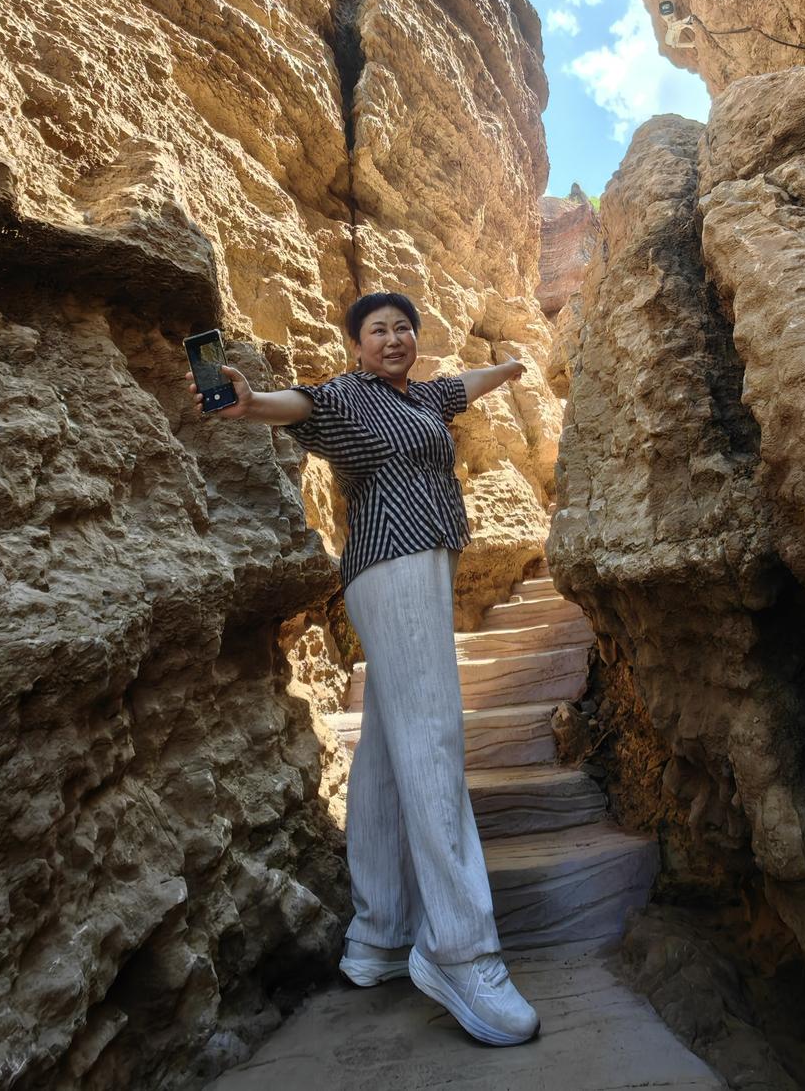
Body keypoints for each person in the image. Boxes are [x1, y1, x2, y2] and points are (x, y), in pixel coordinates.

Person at [184, 290, 541, 1047]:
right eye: (377, 329)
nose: (393, 338)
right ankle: (460, 951)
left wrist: (509, 366)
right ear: (356, 344)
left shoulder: (421, 397)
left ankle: (377, 938)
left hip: (421, 565)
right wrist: (248, 404)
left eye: (403, 328)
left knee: (385, 749)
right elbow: (299, 404)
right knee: (434, 742)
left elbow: (461, 387)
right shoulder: (348, 397)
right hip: (394, 566)